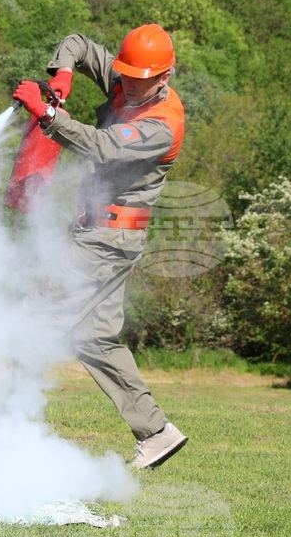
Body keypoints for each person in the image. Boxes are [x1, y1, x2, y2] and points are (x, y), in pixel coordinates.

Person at [12, 24, 188, 469]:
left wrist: (47, 115)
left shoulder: (162, 125)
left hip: (107, 240)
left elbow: (103, 146)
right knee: (95, 338)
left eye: (140, 78)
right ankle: (157, 432)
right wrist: (62, 73)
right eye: (125, 73)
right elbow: (77, 43)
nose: (128, 83)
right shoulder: (128, 79)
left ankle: (11, 423)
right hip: (107, 235)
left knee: (35, 317)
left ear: (164, 77)